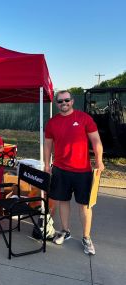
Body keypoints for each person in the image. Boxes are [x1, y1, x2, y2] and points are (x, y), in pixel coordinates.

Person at [44, 90, 104, 255]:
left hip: (82, 171)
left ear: (72, 101)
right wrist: (46, 164)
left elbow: (96, 140)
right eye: (60, 101)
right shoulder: (52, 123)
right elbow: (48, 145)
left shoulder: (84, 118)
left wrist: (99, 161)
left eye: (66, 100)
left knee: (84, 206)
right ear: (56, 104)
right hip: (60, 170)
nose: (63, 103)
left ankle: (86, 237)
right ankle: (65, 231)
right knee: (63, 201)